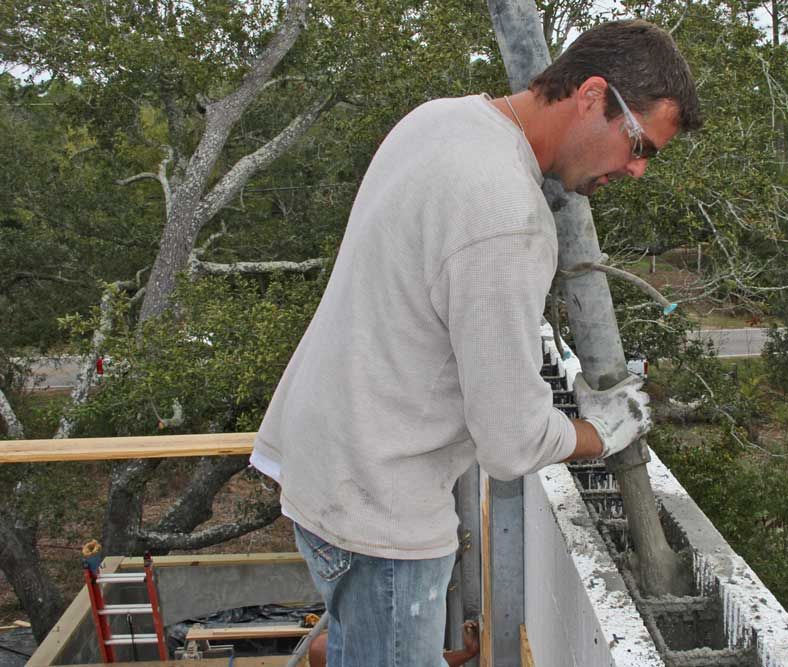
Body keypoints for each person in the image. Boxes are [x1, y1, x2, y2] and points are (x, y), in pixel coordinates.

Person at [250, 18, 701, 667]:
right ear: (592, 95)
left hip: (326, 470)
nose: (636, 169)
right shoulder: (507, 215)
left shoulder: (444, 120)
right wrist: (602, 430)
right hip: (382, 513)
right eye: (639, 145)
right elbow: (510, 440)